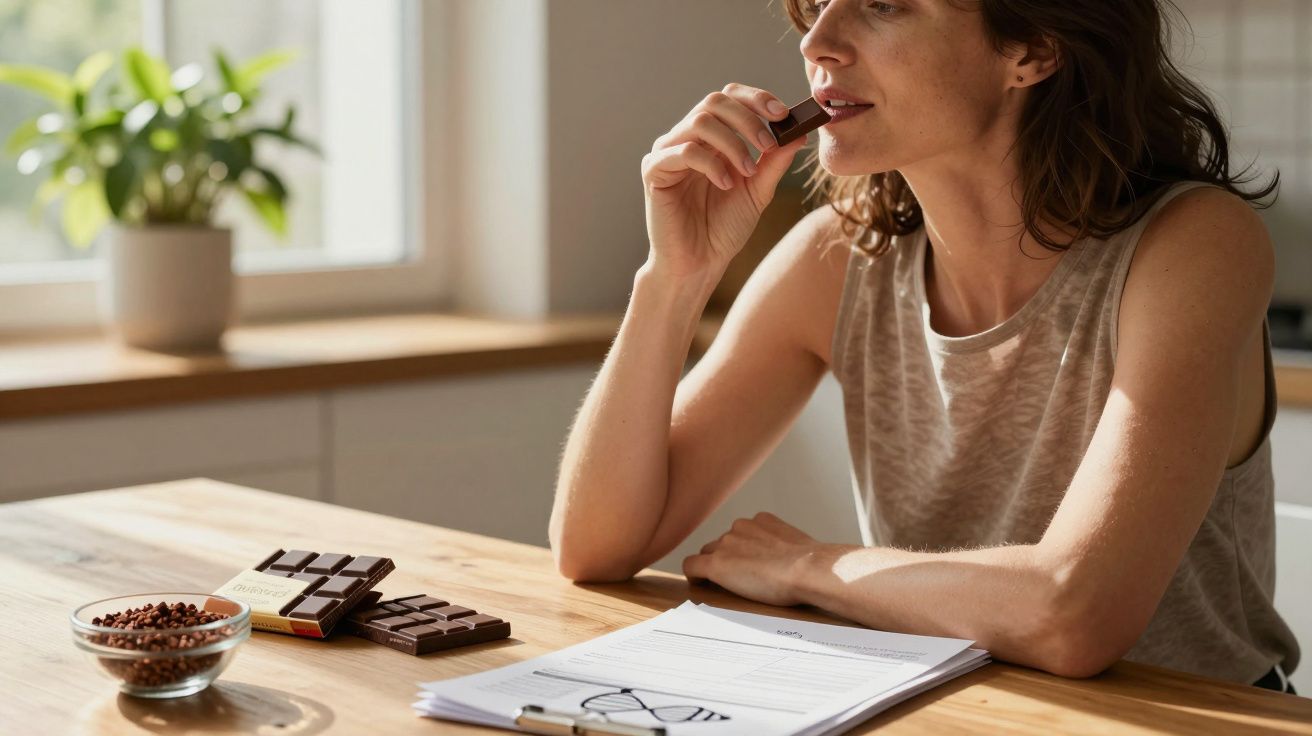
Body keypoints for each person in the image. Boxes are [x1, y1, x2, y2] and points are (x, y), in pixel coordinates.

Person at [547, 0, 1300, 693]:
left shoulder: (1195, 248)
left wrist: (810, 566)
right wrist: (673, 276)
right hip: (956, 712)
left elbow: (1074, 614)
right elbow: (594, 546)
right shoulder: (835, 260)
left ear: (1032, 49)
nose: (817, 42)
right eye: (819, 4)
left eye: (882, 5)